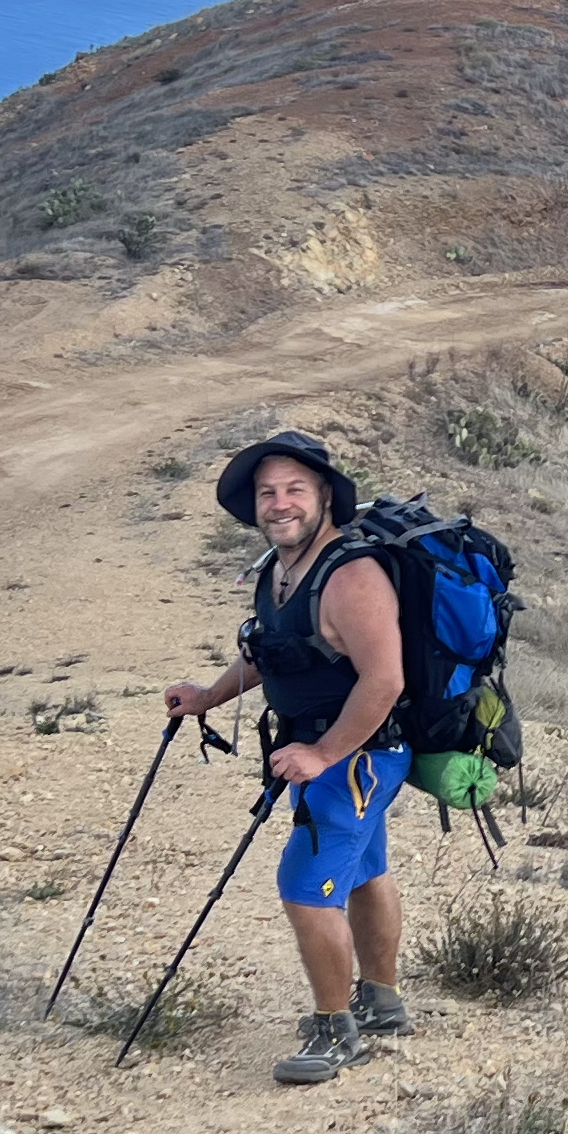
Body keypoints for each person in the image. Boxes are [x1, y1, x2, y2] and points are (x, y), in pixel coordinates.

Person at [164, 429, 410, 1086]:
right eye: (267, 492)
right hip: (325, 753)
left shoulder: (351, 575)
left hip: (355, 756)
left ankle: (337, 1032)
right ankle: (381, 1002)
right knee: (363, 870)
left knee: (305, 889)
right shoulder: (279, 570)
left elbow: (385, 682)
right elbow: (268, 650)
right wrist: (208, 698)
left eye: (294, 489)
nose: (279, 503)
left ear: (325, 495)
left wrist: (325, 754)